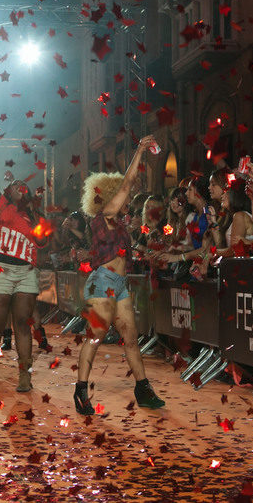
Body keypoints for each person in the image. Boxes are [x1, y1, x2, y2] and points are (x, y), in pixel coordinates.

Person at [74, 136, 166, 415]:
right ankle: (80, 391)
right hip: (102, 283)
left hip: (119, 285)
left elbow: (122, 250)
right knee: (94, 336)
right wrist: (138, 150)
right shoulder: (103, 217)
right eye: (119, 193)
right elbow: (127, 184)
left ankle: (143, 388)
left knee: (131, 337)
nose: (125, 197)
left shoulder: (121, 225)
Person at [0, 135, 49, 393]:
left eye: (24, 184)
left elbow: (44, 245)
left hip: (26, 272)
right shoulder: (1, 207)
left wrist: (37, 217)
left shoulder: (36, 216)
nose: (21, 186)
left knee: (23, 325)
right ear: (8, 191)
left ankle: (25, 375)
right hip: (1, 269)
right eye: (15, 184)